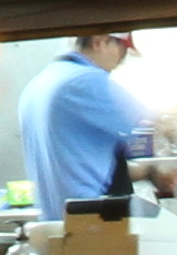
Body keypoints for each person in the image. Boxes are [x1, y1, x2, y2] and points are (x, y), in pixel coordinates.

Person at [16, 32, 148, 216]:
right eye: (123, 50)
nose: (120, 62)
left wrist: (144, 171)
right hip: (91, 222)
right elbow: (151, 128)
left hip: (54, 223)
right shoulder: (86, 80)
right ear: (99, 41)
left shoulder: (39, 84)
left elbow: (78, 163)